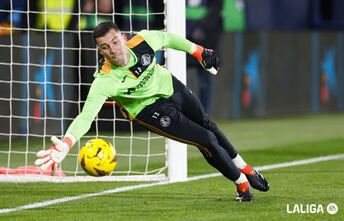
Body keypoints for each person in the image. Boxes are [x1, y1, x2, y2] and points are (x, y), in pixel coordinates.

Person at [34, 21, 269, 202]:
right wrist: (65, 144)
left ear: (124, 38)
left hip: (169, 86)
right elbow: (86, 116)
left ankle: (247, 169)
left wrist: (199, 51)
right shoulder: (104, 80)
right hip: (147, 109)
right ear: (100, 52)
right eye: (105, 47)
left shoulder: (143, 40)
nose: (113, 50)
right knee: (205, 139)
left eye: (115, 42)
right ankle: (242, 185)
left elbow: (168, 38)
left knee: (209, 125)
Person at [186, 0, 223, 113]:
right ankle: (181, 111)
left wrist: (201, 28)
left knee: (205, 81)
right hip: (184, 40)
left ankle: (203, 114)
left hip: (207, 41)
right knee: (177, 76)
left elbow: (215, 11)